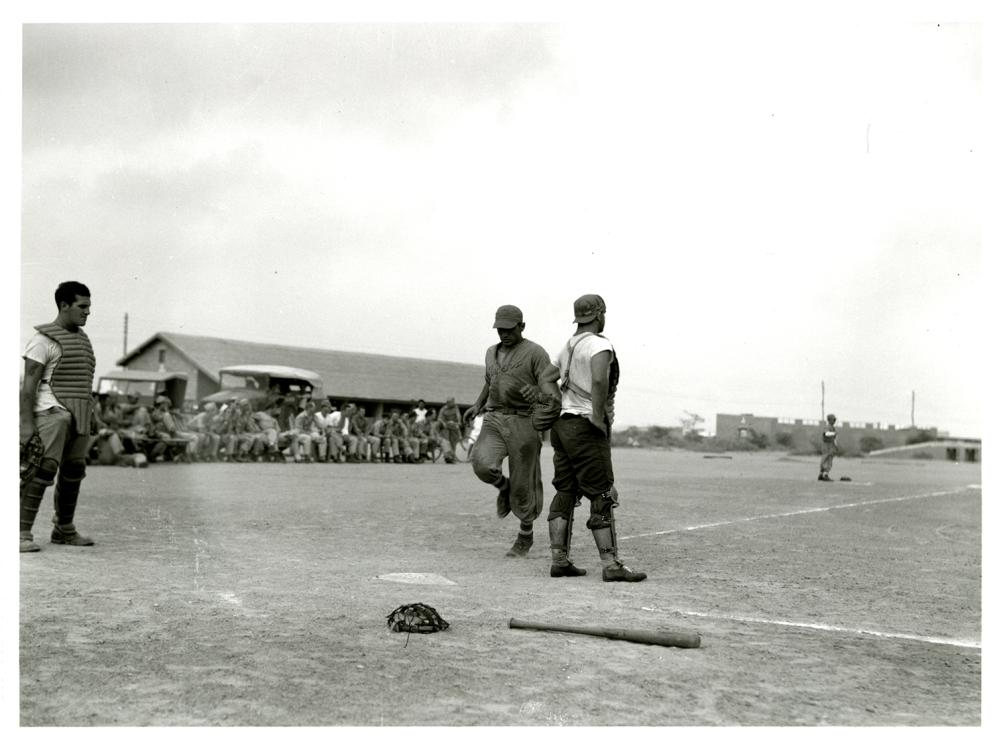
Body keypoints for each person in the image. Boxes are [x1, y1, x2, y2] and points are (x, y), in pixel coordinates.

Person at [531, 294, 646, 582]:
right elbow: (598, 380)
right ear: (599, 315)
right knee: (602, 492)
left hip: (562, 427)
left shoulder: (568, 346)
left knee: (565, 491)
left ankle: (559, 560)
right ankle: (611, 564)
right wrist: (596, 415)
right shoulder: (600, 344)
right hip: (584, 427)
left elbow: (546, 378)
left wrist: (557, 403)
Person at [465, 304, 551, 558]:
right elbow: (490, 381)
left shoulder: (536, 353)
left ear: (522, 326)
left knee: (524, 484)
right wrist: (478, 404)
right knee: (481, 463)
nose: (504, 334)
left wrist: (537, 398)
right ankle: (504, 487)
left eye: (509, 329)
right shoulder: (491, 352)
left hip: (524, 420)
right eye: (500, 329)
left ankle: (525, 535)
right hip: (494, 418)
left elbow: (550, 389)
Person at [19, 281, 97, 552]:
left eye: (89, 306)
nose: (88, 312)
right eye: (82, 306)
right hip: (52, 414)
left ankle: (64, 530)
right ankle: (19, 533)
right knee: (43, 470)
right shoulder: (42, 342)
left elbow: (82, 383)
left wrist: (90, 413)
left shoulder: (82, 340)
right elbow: (28, 387)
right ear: (64, 305)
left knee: (74, 471)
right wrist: (26, 424)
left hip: (79, 415)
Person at [437, 397, 463, 462]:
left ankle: (453, 455)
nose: (454, 403)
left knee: (453, 442)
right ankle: (448, 456)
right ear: (448, 403)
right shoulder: (443, 409)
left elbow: (458, 415)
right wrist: (443, 423)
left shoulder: (455, 408)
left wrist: (459, 421)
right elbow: (439, 418)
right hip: (445, 426)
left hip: (453, 426)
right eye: (452, 402)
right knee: (446, 442)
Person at [818, 413, 838, 481]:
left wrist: (836, 445)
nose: (834, 421)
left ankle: (821, 474)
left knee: (828, 459)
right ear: (829, 420)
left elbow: (834, 438)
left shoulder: (833, 428)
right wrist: (834, 433)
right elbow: (826, 433)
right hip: (826, 445)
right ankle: (825, 475)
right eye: (833, 419)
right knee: (827, 460)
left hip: (831, 445)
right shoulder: (827, 427)